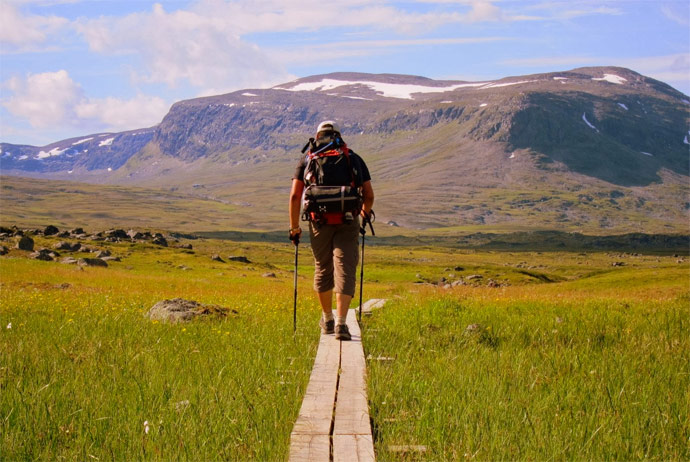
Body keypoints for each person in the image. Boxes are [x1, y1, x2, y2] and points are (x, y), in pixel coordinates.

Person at [289, 121, 374, 341]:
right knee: (345, 269)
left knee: (323, 268)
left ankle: (327, 319)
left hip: (319, 222)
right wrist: (363, 214)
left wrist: (294, 228)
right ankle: (341, 324)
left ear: (317, 136)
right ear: (338, 135)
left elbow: (295, 196)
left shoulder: (308, 159)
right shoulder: (352, 158)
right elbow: (369, 194)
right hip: (348, 221)